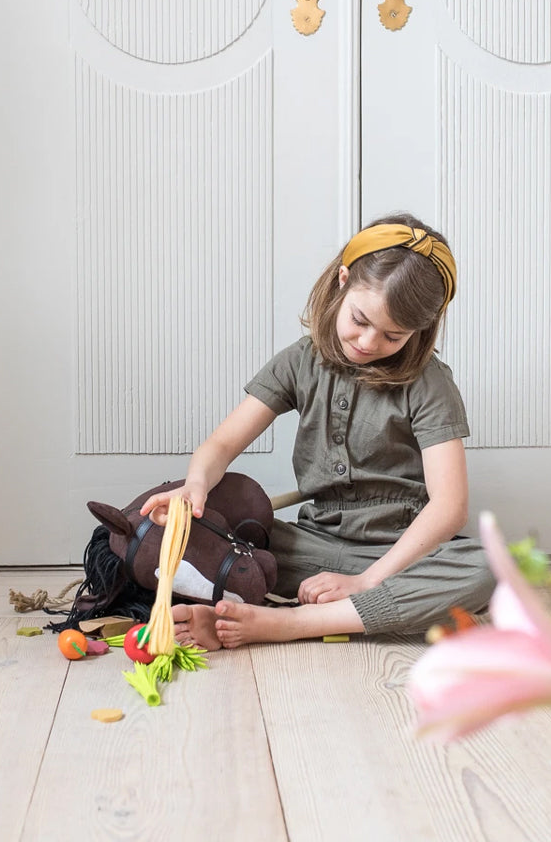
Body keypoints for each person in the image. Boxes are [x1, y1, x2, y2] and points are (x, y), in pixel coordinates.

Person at [140, 213, 495, 649]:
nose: (368, 342)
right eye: (360, 320)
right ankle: (262, 604)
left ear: (419, 330)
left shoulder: (429, 382)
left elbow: (450, 507)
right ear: (344, 281)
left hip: (395, 555)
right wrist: (195, 484)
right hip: (308, 547)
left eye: (393, 336)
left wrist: (366, 580)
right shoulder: (300, 361)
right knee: (159, 528)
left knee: (488, 566)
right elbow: (222, 444)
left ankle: (288, 622)